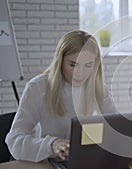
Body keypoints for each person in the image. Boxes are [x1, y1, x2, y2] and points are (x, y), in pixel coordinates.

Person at [5, 30, 117, 162]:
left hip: (81, 161)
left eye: (88, 65)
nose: (80, 73)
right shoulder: (37, 87)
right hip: (44, 162)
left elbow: (116, 128)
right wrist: (52, 144)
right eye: (72, 65)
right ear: (60, 61)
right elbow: (14, 140)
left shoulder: (98, 88)